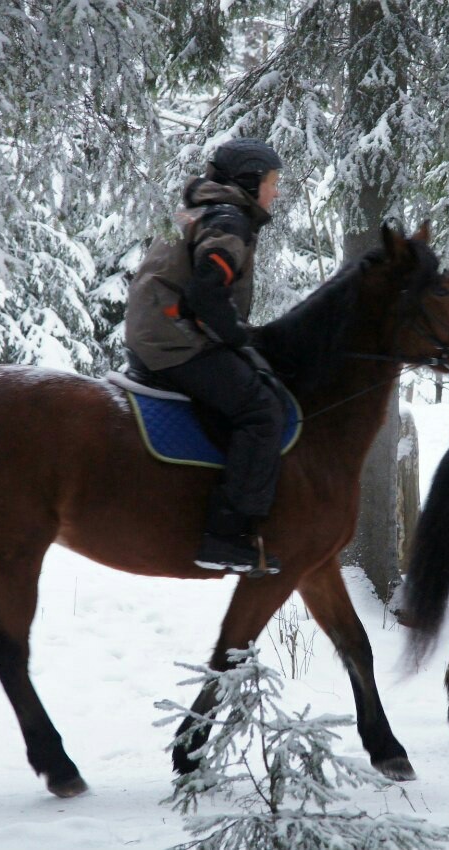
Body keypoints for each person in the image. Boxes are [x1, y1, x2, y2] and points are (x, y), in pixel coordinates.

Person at [124, 138, 286, 576]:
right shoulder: (229, 221)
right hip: (174, 338)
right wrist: (239, 338)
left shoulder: (206, 211)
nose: (275, 193)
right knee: (260, 410)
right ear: (250, 182)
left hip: (157, 331)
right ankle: (222, 536)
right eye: (272, 183)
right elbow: (206, 293)